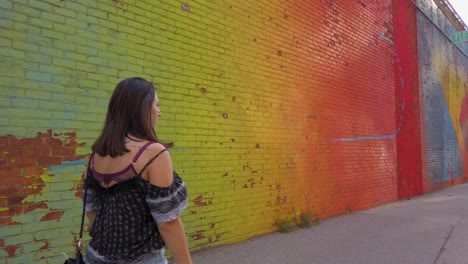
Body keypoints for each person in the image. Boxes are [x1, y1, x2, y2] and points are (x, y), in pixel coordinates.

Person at [83, 77, 192, 264]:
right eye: (156, 105)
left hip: (95, 257)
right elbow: (167, 223)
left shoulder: (96, 154)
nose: (160, 112)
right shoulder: (153, 153)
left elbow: (91, 209)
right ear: (141, 109)